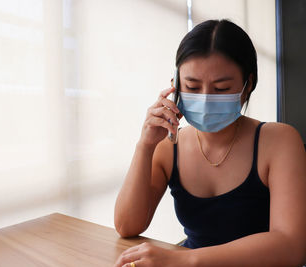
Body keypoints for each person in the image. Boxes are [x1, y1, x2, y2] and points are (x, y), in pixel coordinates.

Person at [113, 19, 306, 267]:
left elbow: (291, 247)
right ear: (175, 84)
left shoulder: (279, 141)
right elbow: (126, 226)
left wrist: (185, 260)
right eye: (192, 86)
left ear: (247, 86)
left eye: (221, 88)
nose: (205, 99)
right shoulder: (169, 145)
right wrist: (145, 145)